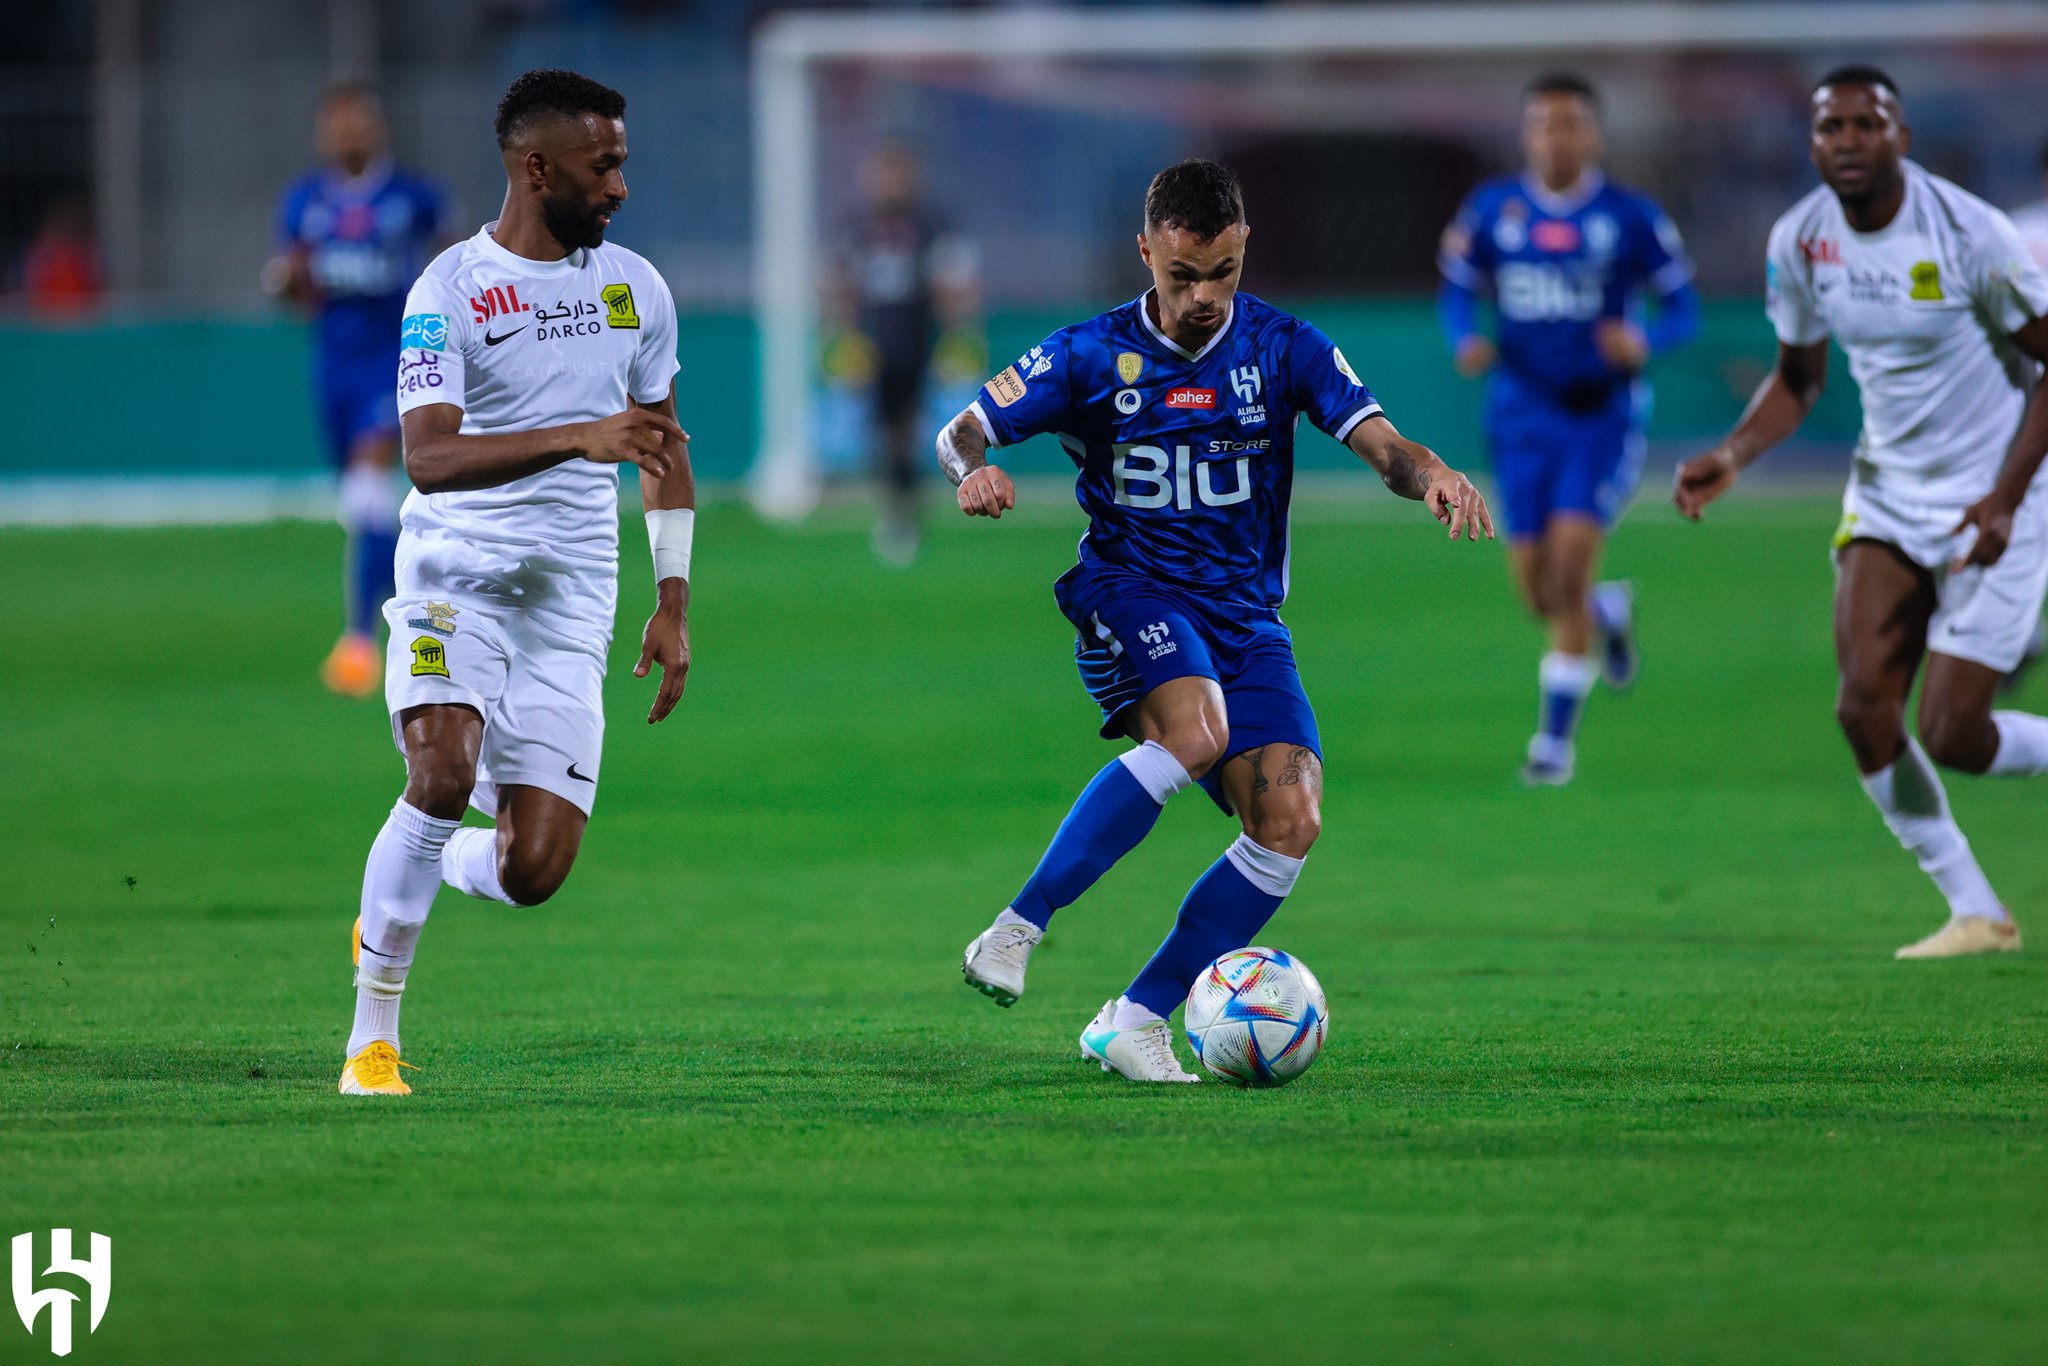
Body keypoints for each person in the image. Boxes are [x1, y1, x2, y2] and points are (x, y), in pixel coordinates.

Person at [943, 160, 1493, 1082]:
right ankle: (1014, 929)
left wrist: (1430, 472)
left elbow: (1384, 446)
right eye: (1182, 275)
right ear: (1146, 252)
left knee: (1290, 818)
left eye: (1224, 272)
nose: (1204, 296)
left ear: (1245, 251)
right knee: (1197, 731)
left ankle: (1134, 1019)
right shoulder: (1086, 354)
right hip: (1130, 589)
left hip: (1244, 615)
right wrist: (975, 474)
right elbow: (960, 430)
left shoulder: (1285, 348)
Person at [340, 69, 695, 1095]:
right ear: (538, 169)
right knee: (441, 775)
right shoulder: (449, 288)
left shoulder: (635, 287)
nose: (620, 184)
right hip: (458, 574)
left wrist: (671, 602)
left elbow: (664, 447)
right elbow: (428, 457)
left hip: (571, 602)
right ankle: (373, 1036)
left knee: (531, 870)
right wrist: (581, 437)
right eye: (604, 164)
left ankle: (416, 875)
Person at [1674, 65, 2048, 960]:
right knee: (1862, 709)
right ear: (1812, 143)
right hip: (1886, 492)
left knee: (1955, 733)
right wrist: (1732, 454)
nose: (1847, 141)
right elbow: (1800, 377)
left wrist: (2003, 496)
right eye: (1829, 127)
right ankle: (1977, 912)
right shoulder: (1802, 240)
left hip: (1997, 496)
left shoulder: (1972, 235)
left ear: (1900, 138)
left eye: (1866, 124)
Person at [1439, 73, 1702, 786]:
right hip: (1520, 414)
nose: (1557, 136)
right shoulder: (1494, 211)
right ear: (1527, 135)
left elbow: (1683, 309)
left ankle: (1553, 747)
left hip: (1600, 416)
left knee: (1569, 565)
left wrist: (1646, 343)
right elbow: (1457, 291)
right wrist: (1464, 336)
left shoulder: (1631, 216)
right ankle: (1607, 613)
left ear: (1594, 135)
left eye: (1570, 124)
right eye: (1544, 124)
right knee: (1537, 591)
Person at [269, 84, 453, 696]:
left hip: (396, 358)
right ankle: (433, 599)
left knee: (371, 482)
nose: (349, 134)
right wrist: (286, 283)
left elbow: (451, 259)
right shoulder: (304, 203)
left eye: (359, 123)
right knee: (364, 502)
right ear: (325, 135)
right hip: (333, 367)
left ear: (378, 129)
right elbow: (295, 295)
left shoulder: (412, 196)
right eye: (338, 125)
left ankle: (358, 639)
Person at [828, 143, 982, 566]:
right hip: (873, 345)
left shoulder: (930, 226)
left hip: (917, 340)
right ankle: (892, 512)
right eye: (883, 173)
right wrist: (844, 337)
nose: (890, 183)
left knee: (911, 430)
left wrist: (957, 336)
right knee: (882, 433)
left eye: (898, 174)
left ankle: (907, 515)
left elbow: (953, 283)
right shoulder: (857, 227)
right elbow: (842, 284)